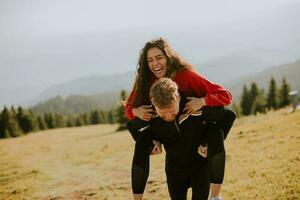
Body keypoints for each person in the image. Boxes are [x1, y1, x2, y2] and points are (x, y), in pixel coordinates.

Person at [125, 38, 233, 199]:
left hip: (195, 129)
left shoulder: (185, 76)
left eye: (159, 57)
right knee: (142, 144)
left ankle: (216, 195)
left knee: (215, 131)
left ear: (168, 57)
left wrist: (202, 101)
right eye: (150, 60)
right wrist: (136, 111)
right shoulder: (146, 82)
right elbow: (128, 111)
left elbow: (226, 96)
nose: (155, 63)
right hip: (169, 140)